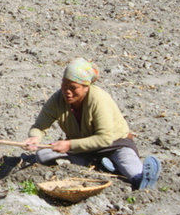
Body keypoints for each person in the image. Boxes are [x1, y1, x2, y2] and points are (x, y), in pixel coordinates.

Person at [22, 57, 160, 190]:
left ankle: (139, 179)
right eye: (64, 85)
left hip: (113, 145)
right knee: (43, 155)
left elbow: (104, 139)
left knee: (128, 163)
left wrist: (69, 144)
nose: (67, 92)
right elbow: (39, 127)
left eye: (73, 88)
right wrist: (35, 137)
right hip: (83, 148)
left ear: (86, 87)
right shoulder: (58, 99)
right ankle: (99, 164)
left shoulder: (98, 99)